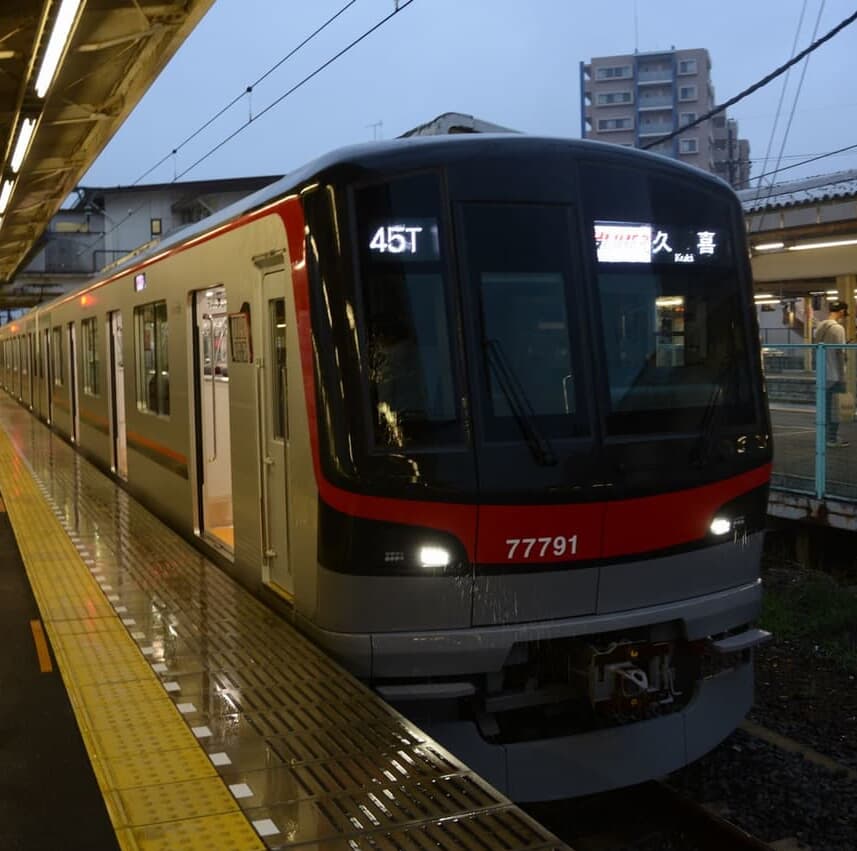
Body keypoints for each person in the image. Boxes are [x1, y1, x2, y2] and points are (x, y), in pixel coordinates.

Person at [814, 300, 849, 448]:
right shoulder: (838, 328)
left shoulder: (820, 326)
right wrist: (842, 376)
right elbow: (840, 353)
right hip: (835, 374)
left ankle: (824, 437)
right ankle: (832, 439)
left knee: (825, 407)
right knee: (835, 409)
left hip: (822, 374)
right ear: (841, 311)